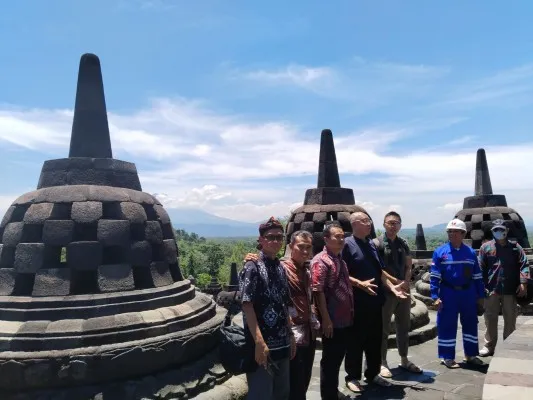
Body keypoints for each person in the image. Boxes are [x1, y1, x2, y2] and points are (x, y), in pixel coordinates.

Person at [244, 230, 320, 400]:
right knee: (289, 386)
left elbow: (292, 303)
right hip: (283, 336)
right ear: (291, 246)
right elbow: (247, 303)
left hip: (301, 335)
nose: (305, 251)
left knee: (298, 383)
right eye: (301, 247)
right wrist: (252, 259)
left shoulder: (303, 270)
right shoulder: (282, 267)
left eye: (308, 247)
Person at [342, 212, 408, 393]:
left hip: (375, 300)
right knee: (355, 341)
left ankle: (373, 373)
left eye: (369, 220)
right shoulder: (347, 245)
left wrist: (393, 289)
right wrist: (359, 283)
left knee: (374, 340)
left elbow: (380, 273)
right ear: (354, 224)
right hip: (357, 302)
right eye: (364, 221)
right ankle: (352, 377)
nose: (369, 223)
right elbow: (341, 273)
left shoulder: (371, 244)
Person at [239, 217, 297, 400]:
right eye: (271, 237)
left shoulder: (280, 268)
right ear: (261, 240)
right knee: (261, 394)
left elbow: (285, 304)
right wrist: (259, 342)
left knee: (282, 393)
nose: (276, 241)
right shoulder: (252, 267)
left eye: (280, 237)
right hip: (262, 346)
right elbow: (247, 305)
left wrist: (291, 336)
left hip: (283, 343)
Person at [429, 218, 486, 369]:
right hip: (448, 293)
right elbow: (434, 277)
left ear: (463, 234)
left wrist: (481, 296)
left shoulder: (471, 253)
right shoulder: (440, 252)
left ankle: (471, 355)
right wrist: (435, 296)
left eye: (456, 232)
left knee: (470, 323)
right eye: (450, 231)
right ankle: (447, 357)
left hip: (468, 293)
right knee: (447, 324)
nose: (452, 234)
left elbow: (477, 276)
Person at [373, 211, 422, 377]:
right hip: (386, 292)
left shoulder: (403, 243)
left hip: (404, 291)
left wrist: (407, 282)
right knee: (383, 328)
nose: (393, 226)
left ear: (400, 225)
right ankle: (382, 362)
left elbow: (409, 265)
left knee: (403, 326)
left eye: (396, 223)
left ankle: (404, 359)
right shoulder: (376, 243)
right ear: (384, 224)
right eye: (390, 223)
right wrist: (396, 283)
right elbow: (378, 269)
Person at [311, 221, 354, 400]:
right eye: (337, 236)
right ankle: (328, 395)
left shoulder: (339, 260)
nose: (341, 239)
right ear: (326, 239)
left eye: (343, 236)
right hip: (332, 320)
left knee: (337, 359)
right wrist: (326, 319)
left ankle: (333, 391)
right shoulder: (321, 261)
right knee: (330, 361)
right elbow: (317, 291)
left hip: (344, 317)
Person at [478, 219, 530, 357]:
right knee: (490, 318)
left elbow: (524, 264)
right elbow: (480, 268)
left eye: (501, 230)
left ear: (506, 231)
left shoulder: (515, 247)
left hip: (510, 289)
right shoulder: (486, 248)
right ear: (492, 232)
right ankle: (489, 346)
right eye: (496, 230)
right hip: (491, 289)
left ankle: (509, 345)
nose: (499, 232)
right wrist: (480, 287)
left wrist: (523, 282)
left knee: (510, 318)